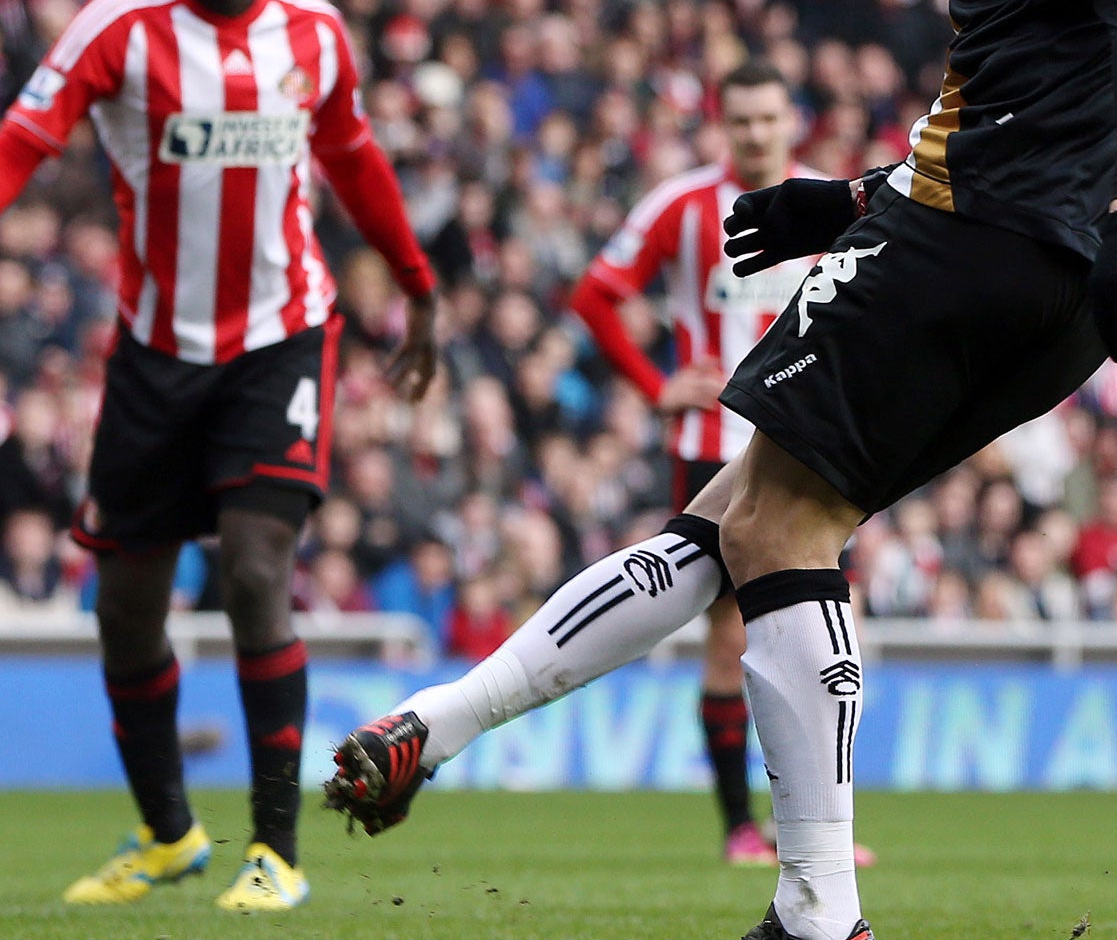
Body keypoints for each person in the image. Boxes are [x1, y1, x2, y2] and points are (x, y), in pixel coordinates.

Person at [337, 0, 1117, 940]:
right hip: (1022, 260)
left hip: (993, 241)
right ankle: (441, 724)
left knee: (782, 521)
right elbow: (1035, 94)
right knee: (746, 518)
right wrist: (846, 199)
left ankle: (814, 917)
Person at [0, 0, 439, 913]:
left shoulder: (309, 35)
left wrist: (417, 285)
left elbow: (356, 161)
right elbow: (18, 141)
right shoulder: (117, 27)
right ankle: (168, 832)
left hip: (279, 339)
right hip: (151, 351)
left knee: (253, 572)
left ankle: (275, 850)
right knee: (126, 608)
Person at [328, 64, 876, 870]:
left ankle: (806, 832)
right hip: (714, 449)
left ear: (790, 121)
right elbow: (595, 295)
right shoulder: (685, 207)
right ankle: (744, 830)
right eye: (742, 121)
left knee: (809, 632)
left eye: (768, 119)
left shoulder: (830, 206)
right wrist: (658, 386)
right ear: (722, 123)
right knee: (734, 639)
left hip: (812, 448)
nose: (755, 134)